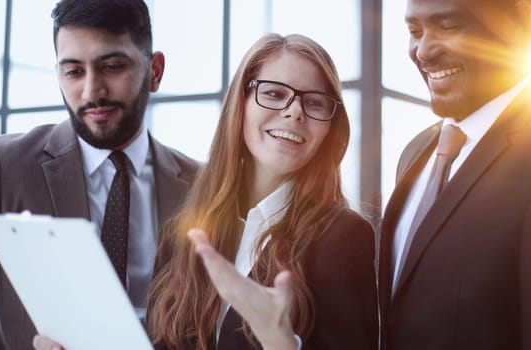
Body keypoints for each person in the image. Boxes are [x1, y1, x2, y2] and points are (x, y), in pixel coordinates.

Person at [0, 0, 198, 349]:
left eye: (111, 66)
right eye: (74, 72)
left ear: (154, 71)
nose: (91, 91)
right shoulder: (2, 168)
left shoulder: (201, 187)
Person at [146, 33, 378, 350]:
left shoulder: (344, 237)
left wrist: (282, 342)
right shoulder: (181, 233)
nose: (295, 111)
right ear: (239, 103)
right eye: (273, 93)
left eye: (314, 102)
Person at [378, 0, 531, 349]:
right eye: (414, 32)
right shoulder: (415, 153)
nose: (424, 51)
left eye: (448, 25)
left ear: (514, 29)